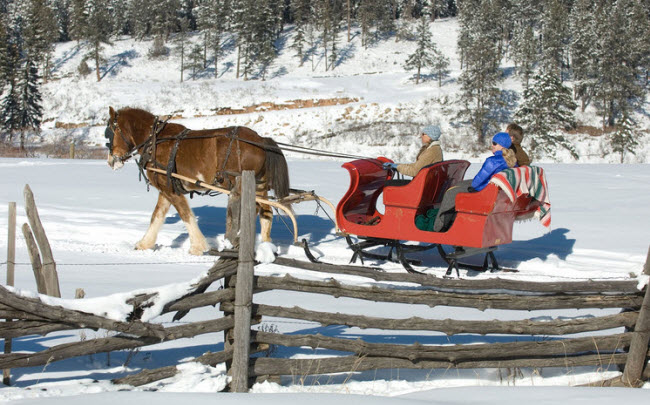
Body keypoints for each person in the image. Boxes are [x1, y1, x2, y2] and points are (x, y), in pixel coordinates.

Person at [432, 132, 517, 232]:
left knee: (451, 193)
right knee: (459, 185)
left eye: (494, 143)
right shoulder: (512, 161)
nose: (492, 145)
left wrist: (472, 187)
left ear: (501, 145)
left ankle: (439, 226)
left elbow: (477, 182)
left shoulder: (493, 161)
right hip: (493, 190)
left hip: (485, 191)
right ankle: (450, 219)